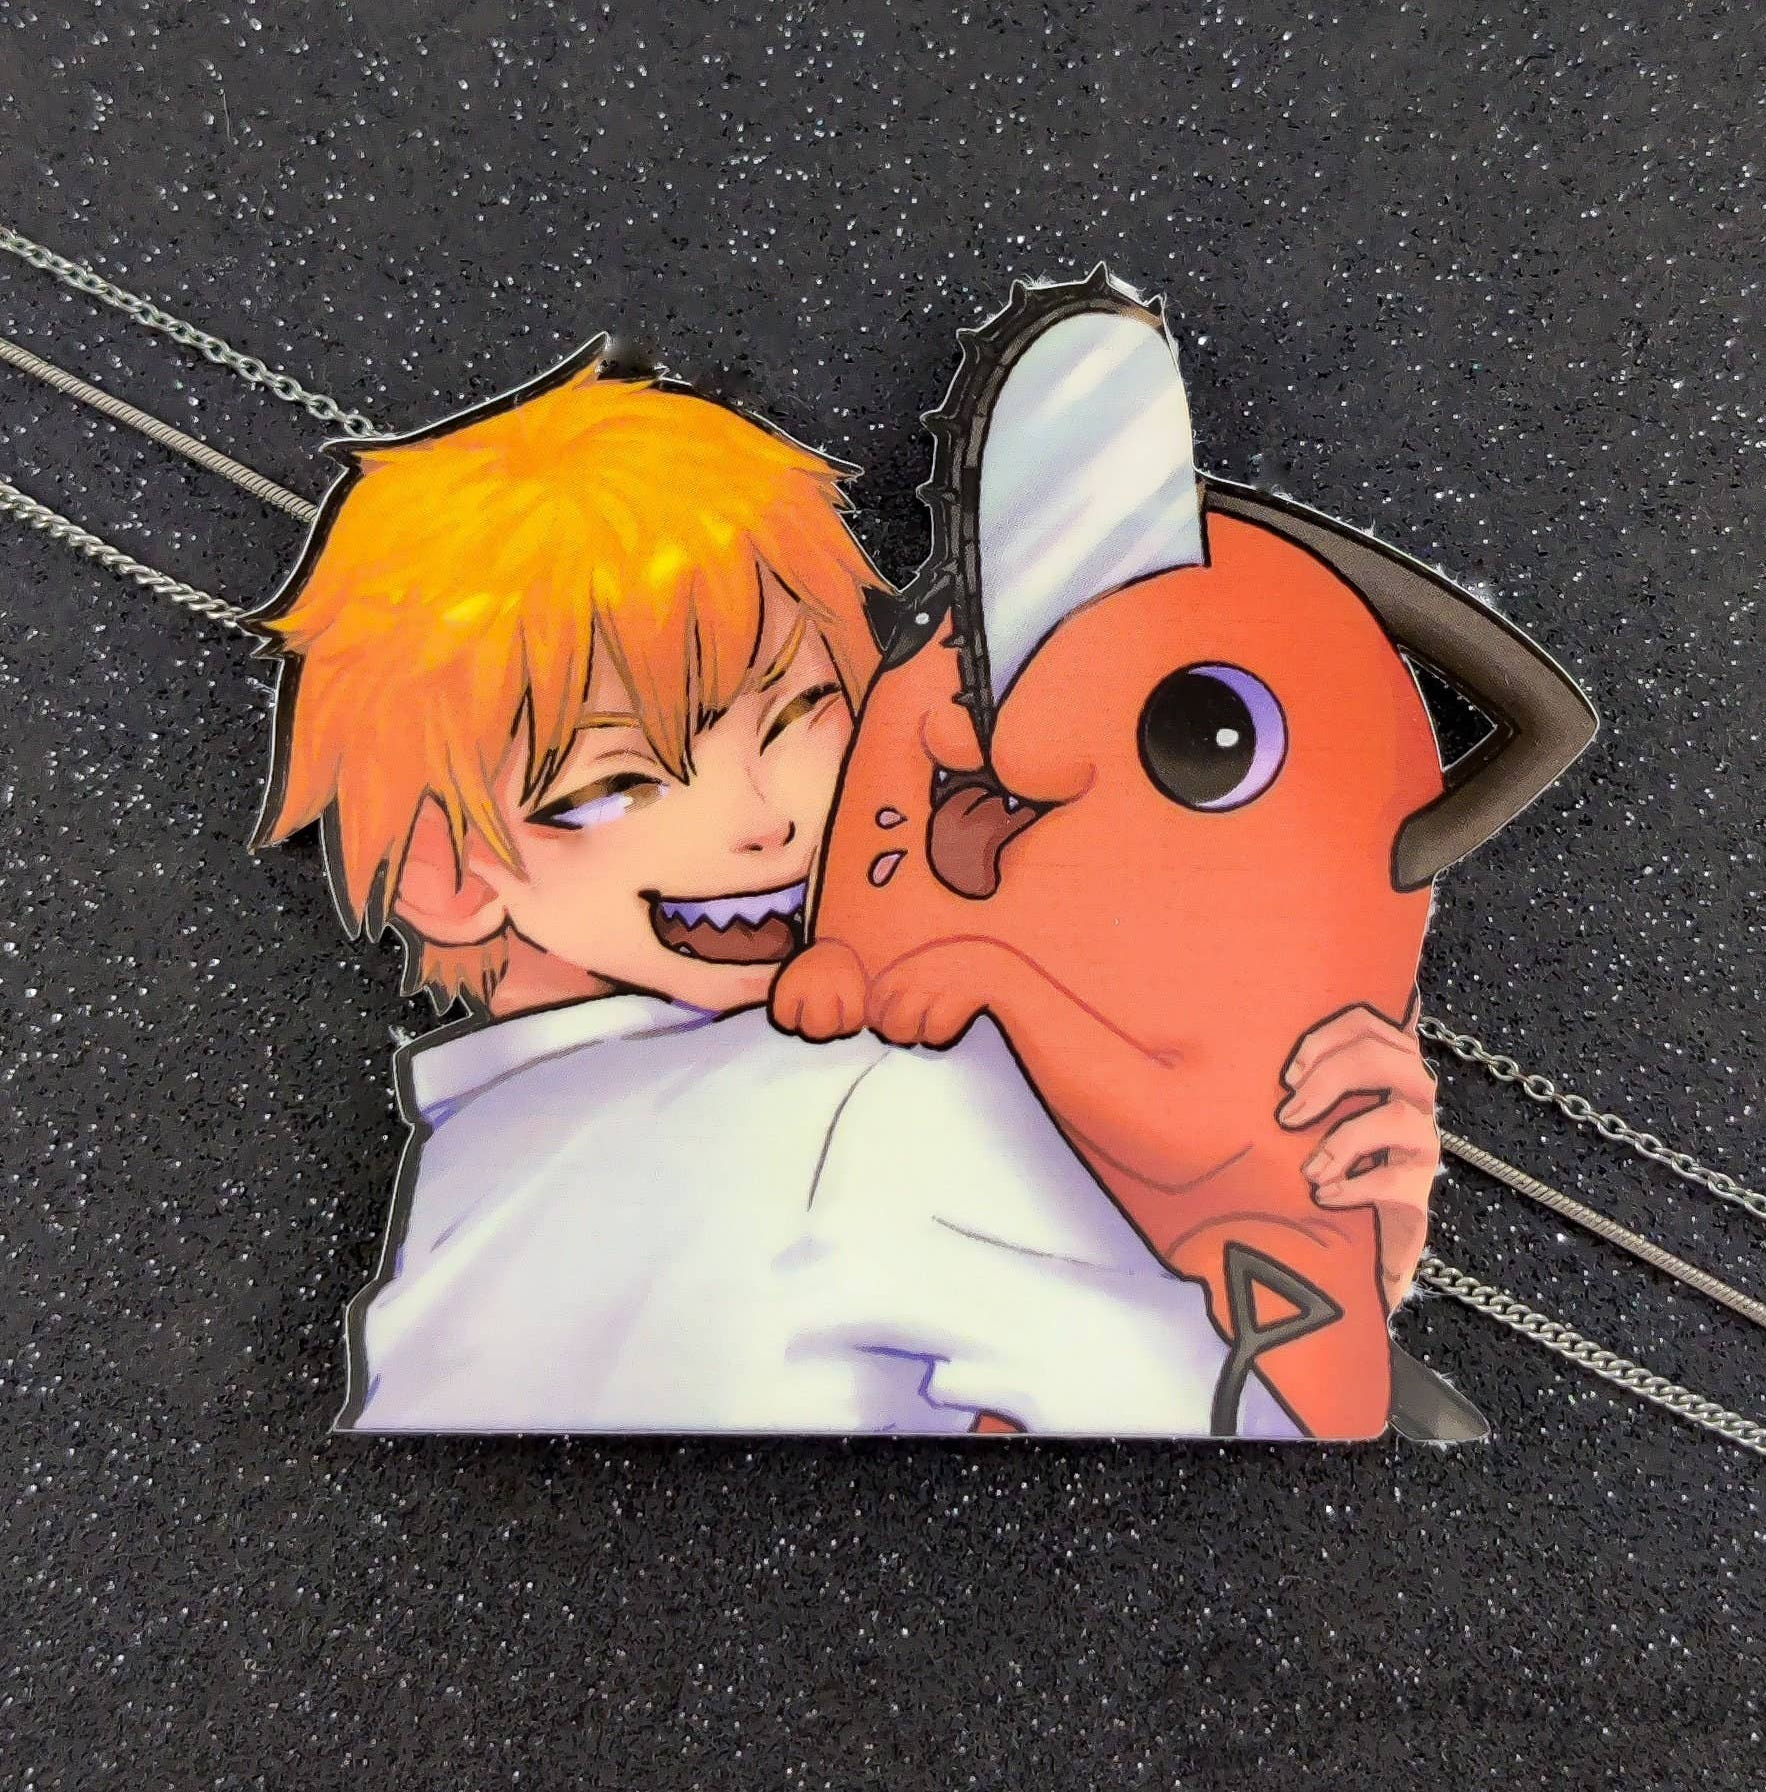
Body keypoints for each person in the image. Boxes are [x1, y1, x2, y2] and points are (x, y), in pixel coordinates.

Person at [255, 346, 1440, 1435]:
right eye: (622, 781)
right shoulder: (867, 1109)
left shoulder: (471, 1173)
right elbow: (1237, 1414)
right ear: (448, 876)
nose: (765, 819)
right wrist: (1337, 1241)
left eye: (799, 713)